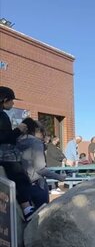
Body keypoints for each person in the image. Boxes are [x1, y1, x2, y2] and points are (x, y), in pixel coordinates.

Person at [0, 87, 36, 219]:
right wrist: (18, 130)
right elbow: (4, 138)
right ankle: (27, 209)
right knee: (20, 176)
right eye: (11, 100)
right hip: (4, 155)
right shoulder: (2, 115)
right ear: (4, 100)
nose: (13, 103)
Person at [16, 118, 66, 209]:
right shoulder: (36, 143)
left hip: (21, 187)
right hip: (37, 185)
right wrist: (59, 177)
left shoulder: (16, 141)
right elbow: (40, 169)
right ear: (37, 130)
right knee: (42, 217)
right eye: (43, 132)